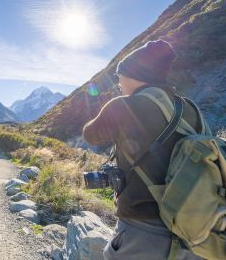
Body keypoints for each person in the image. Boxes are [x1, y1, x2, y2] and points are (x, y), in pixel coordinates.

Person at [82, 40, 202, 260]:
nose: (118, 82)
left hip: (143, 229)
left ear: (135, 75)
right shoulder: (191, 108)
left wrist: (110, 107)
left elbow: (89, 134)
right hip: (195, 231)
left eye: (120, 75)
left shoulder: (123, 105)